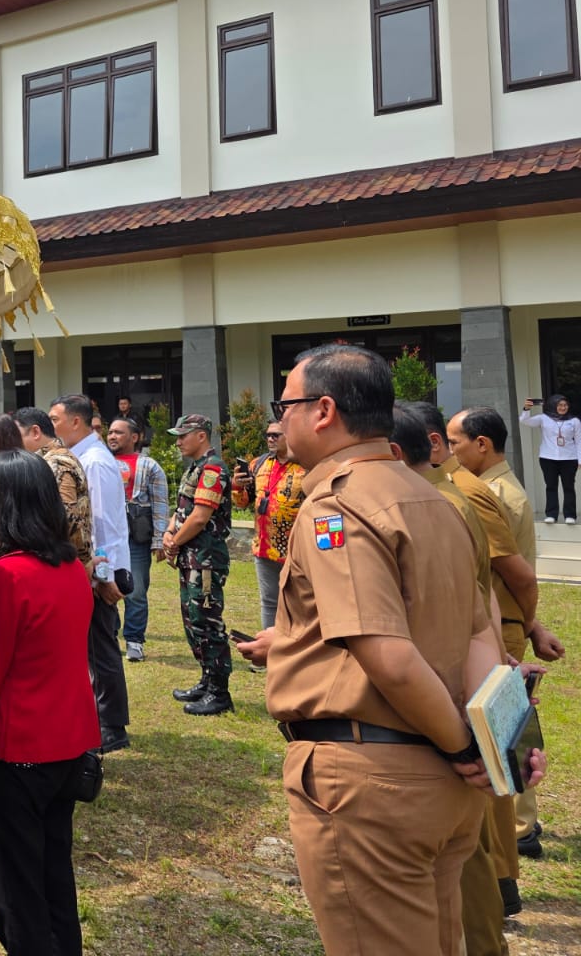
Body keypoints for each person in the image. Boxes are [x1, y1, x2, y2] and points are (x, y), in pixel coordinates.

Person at [239, 344, 539, 956]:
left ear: (324, 411)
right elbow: (478, 634)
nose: (280, 419)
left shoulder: (336, 506)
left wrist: (465, 748)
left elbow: (388, 653)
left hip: (375, 783)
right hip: (443, 787)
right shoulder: (438, 499)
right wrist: (490, 745)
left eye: (285, 405)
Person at [0, 448, 101, 956]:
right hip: (68, 740)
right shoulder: (71, 567)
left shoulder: (7, 577)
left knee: (16, 888)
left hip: (19, 747)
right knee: (54, 871)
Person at [390, 405, 506, 956]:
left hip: (447, 697)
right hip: (466, 687)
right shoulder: (444, 498)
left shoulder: (441, 505)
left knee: (462, 858)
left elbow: (479, 603)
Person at [448, 408, 550, 866]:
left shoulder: (489, 494)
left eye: (455, 442)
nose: (450, 452)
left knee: (501, 730)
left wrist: (527, 625)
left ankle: (520, 827)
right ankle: (521, 822)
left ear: (482, 444)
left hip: (500, 626)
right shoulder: (496, 487)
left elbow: (517, 576)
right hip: (503, 623)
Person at [49, 395, 132, 750]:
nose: (52, 427)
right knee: (91, 647)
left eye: (55, 420)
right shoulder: (81, 457)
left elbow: (101, 523)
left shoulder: (94, 462)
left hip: (99, 569)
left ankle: (111, 725)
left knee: (101, 647)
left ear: (76, 422)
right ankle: (99, 718)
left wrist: (103, 576)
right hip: (92, 567)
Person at [161, 414, 234, 715]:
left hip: (205, 560)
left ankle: (219, 692)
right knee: (193, 621)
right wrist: (169, 532)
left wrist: (174, 542)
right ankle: (207, 680)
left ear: (201, 436)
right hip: (192, 559)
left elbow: (200, 517)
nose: (178, 442)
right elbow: (182, 510)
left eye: (183, 436)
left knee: (206, 622)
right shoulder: (195, 468)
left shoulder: (213, 469)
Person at [231, 420, 306, 629]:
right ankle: (269, 645)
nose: (270, 439)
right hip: (264, 548)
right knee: (269, 602)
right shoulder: (259, 464)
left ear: (289, 435)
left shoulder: (305, 464)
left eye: (276, 435)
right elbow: (242, 502)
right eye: (268, 435)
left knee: (299, 604)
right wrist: (237, 485)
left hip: (296, 550)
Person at [107, 417, 167, 663]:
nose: (112, 436)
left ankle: (134, 641)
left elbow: (160, 503)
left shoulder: (149, 465)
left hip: (136, 538)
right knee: (103, 587)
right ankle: (109, 638)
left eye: (118, 432)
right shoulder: (101, 462)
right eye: (110, 432)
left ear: (134, 437)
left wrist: (159, 539)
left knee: (136, 590)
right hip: (107, 537)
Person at [14, 406, 93, 570]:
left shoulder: (56, 462)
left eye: (17, 435)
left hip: (63, 564)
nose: (14, 443)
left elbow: (68, 517)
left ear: (35, 432)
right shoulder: (52, 459)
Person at [519, 394, 579, 523]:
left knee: (568, 487)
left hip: (569, 459)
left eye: (565, 405)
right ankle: (551, 515)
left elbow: (579, 441)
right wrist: (526, 409)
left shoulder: (574, 421)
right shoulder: (543, 418)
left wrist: (580, 460)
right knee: (551, 486)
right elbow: (524, 421)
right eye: (560, 405)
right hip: (548, 458)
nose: (563, 407)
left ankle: (570, 516)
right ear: (553, 405)